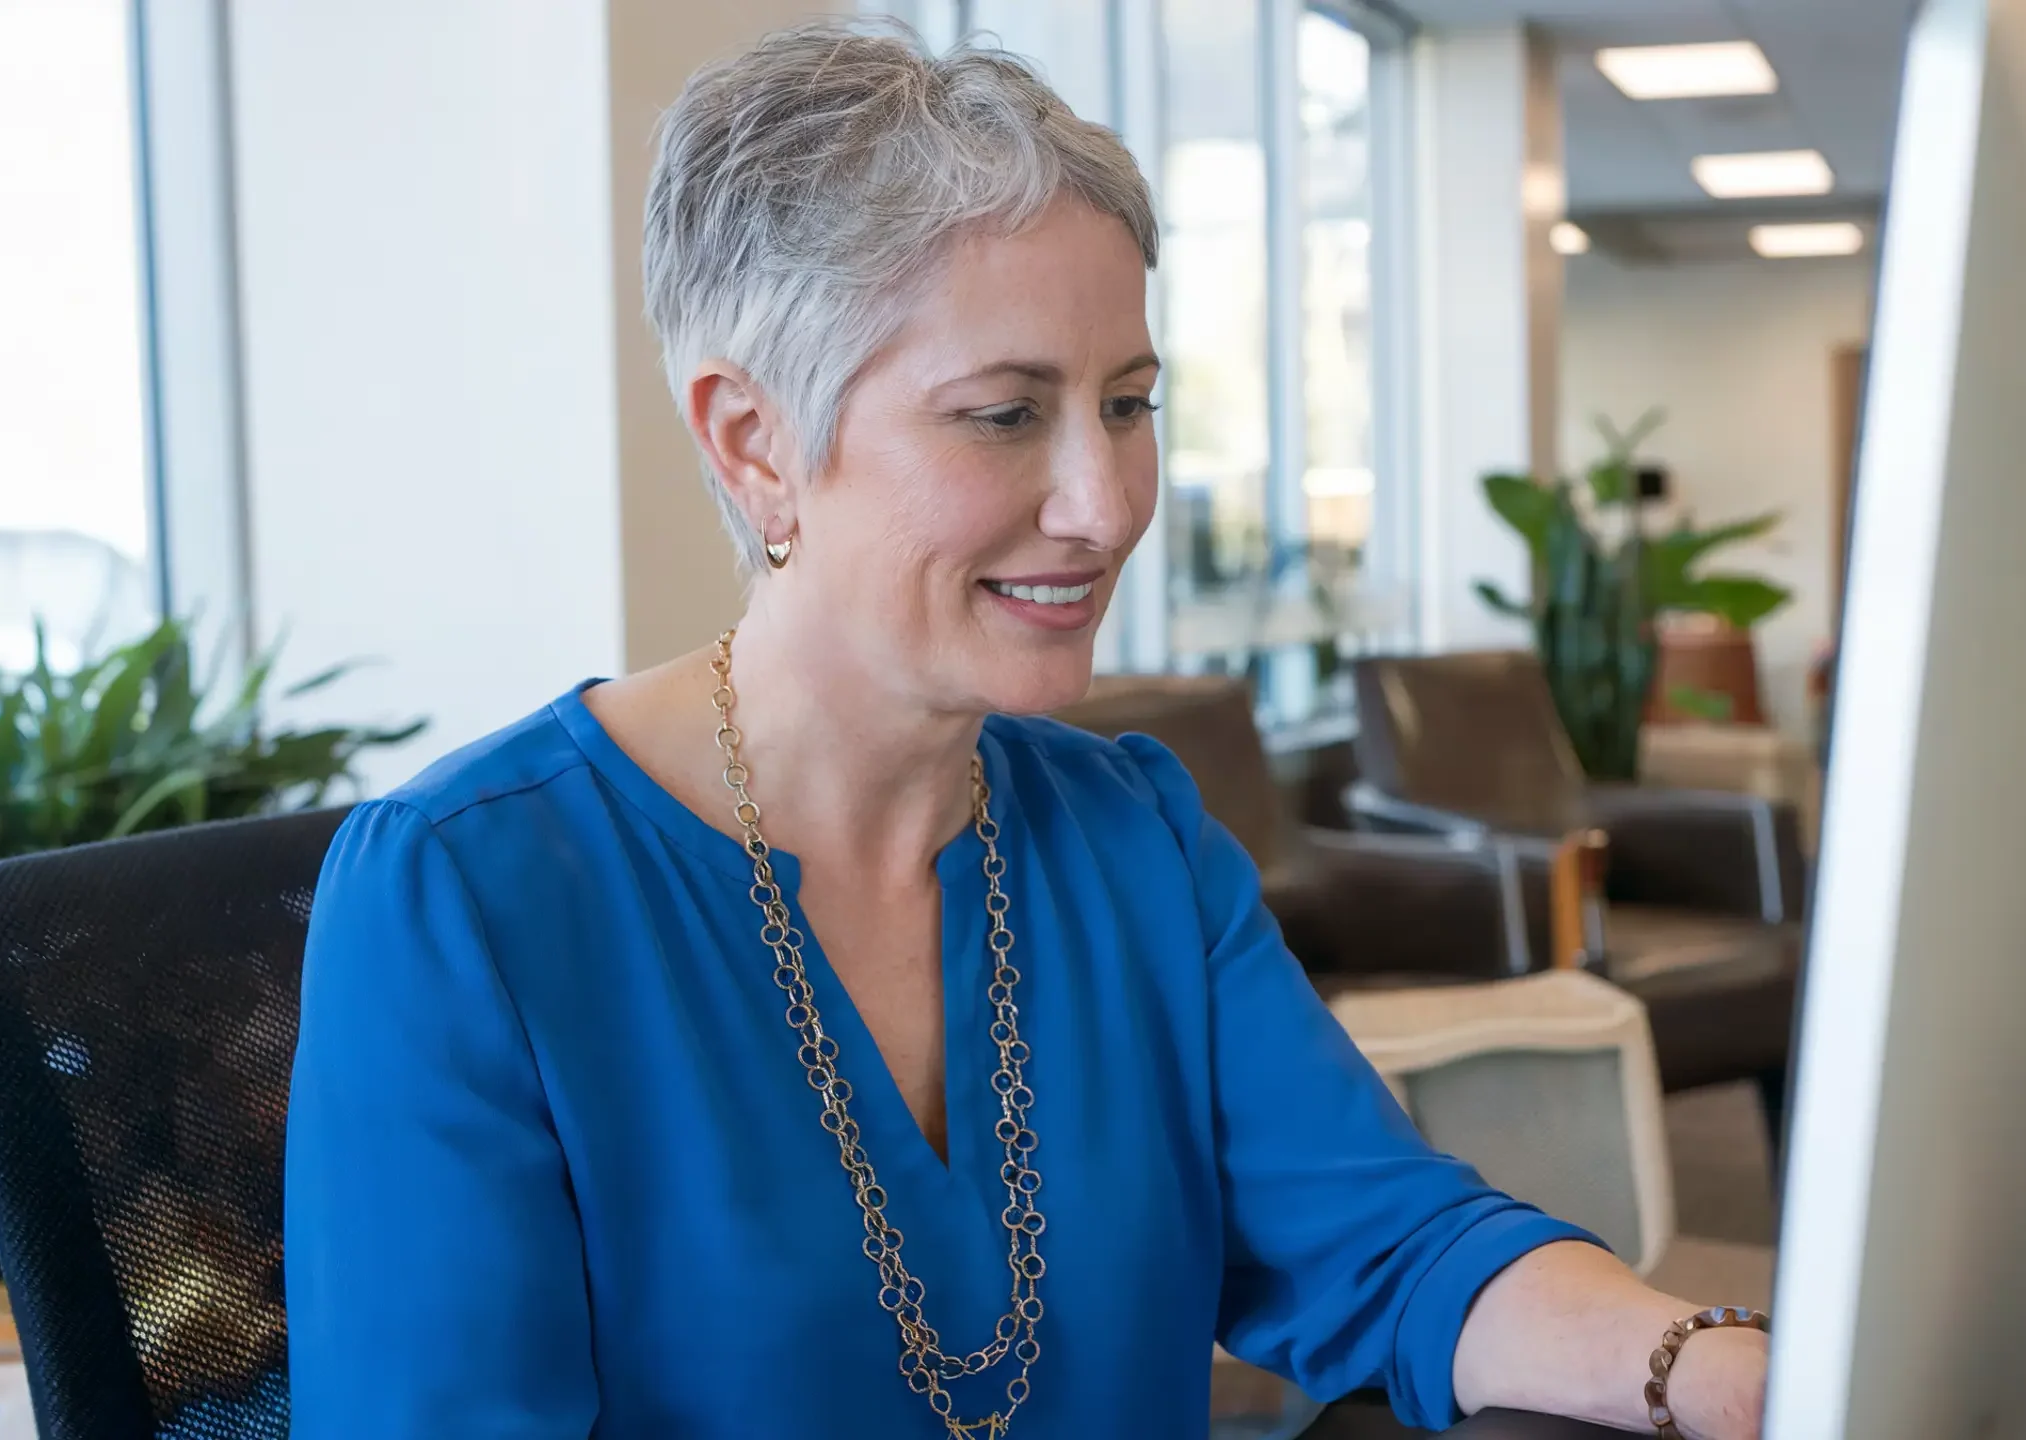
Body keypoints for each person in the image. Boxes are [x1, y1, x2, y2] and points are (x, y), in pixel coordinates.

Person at [283, 21, 1769, 1439]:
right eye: (1004, 415)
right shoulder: (461, 901)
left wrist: (1705, 1369)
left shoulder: (1131, 834)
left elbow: (1400, 1248)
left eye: (1128, 405)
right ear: (755, 442)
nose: (1107, 504)